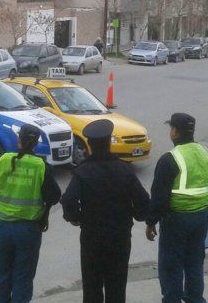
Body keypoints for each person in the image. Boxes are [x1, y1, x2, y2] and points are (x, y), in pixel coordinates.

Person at [61, 120, 149, 303]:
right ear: (109, 143)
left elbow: (68, 199)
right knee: (116, 286)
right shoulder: (124, 170)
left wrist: (76, 218)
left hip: (91, 238)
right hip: (119, 237)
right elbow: (143, 202)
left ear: (90, 146)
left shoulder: (83, 171)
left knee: (92, 286)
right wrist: (135, 214)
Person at [146, 113, 208, 303]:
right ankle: (195, 299)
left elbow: (159, 199)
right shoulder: (207, 154)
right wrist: (203, 211)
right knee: (194, 264)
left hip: (176, 221)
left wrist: (151, 223)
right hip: (200, 220)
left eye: (170, 128)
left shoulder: (170, 159)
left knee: (171, 266)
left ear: (175, 132)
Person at [0, 124, 61, 303]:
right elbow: (54, 195)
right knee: (23, 278)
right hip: (28, 229)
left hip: (1, 227)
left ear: (19, 140)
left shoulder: (3, 160)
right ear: (36, 143)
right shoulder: (41, 166)